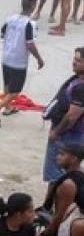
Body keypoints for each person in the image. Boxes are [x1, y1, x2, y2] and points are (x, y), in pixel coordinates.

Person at [0, 0, 45, 118]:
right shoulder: (30, 24)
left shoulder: (10, 19)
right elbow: (30, 44)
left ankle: (8, 108)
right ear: (34, 6)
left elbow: (2, 34)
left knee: (7, 84)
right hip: (18, 61)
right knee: (16, 90)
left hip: (6, 57)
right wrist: (39, 58)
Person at [42, 48, 84, 182]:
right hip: (74, 134)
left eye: (78, 60)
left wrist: (56, 132)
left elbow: (72, 116)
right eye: (74, 59)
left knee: (58, 176)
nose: (73, 62)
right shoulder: (77, 79)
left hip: (68, 135)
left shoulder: (81, 87)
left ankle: (54, 202)